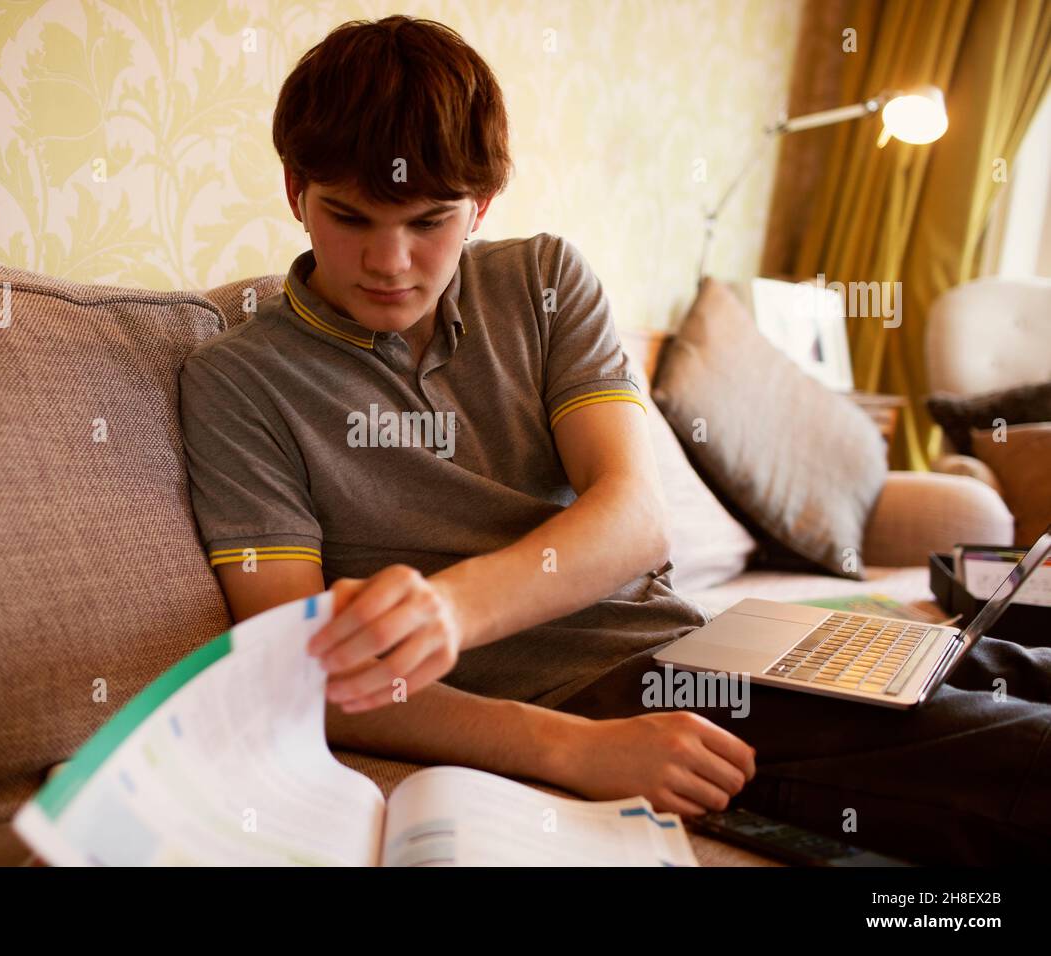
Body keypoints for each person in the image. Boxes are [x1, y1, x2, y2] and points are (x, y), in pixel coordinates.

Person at [180, 15, 1051, 865]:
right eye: (352, 217)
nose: (391, 263)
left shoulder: (544, 280)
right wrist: (571, 750)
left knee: (1014, 664)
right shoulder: (237, 381)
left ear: (481, 206)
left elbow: (635, 519)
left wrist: (450, 608)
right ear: (296, 191)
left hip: (700, 640)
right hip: (593, 700)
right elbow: (294, 671)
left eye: (430, 221)